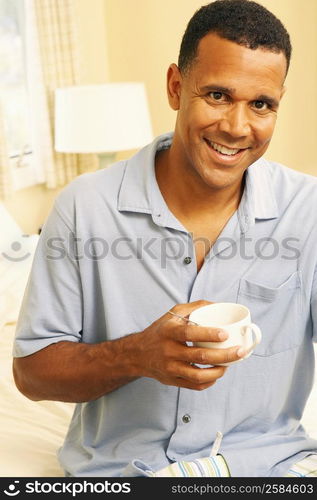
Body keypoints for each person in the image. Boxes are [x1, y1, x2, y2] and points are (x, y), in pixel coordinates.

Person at [12, 0, 317, 477]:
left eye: (261, 104)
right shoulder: (84, 207)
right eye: (217, 95)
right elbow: (32, 373)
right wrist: (137, 354)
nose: (237, 128)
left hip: (268, 468)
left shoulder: (308, 210)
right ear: (176, 87)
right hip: (124, 472)